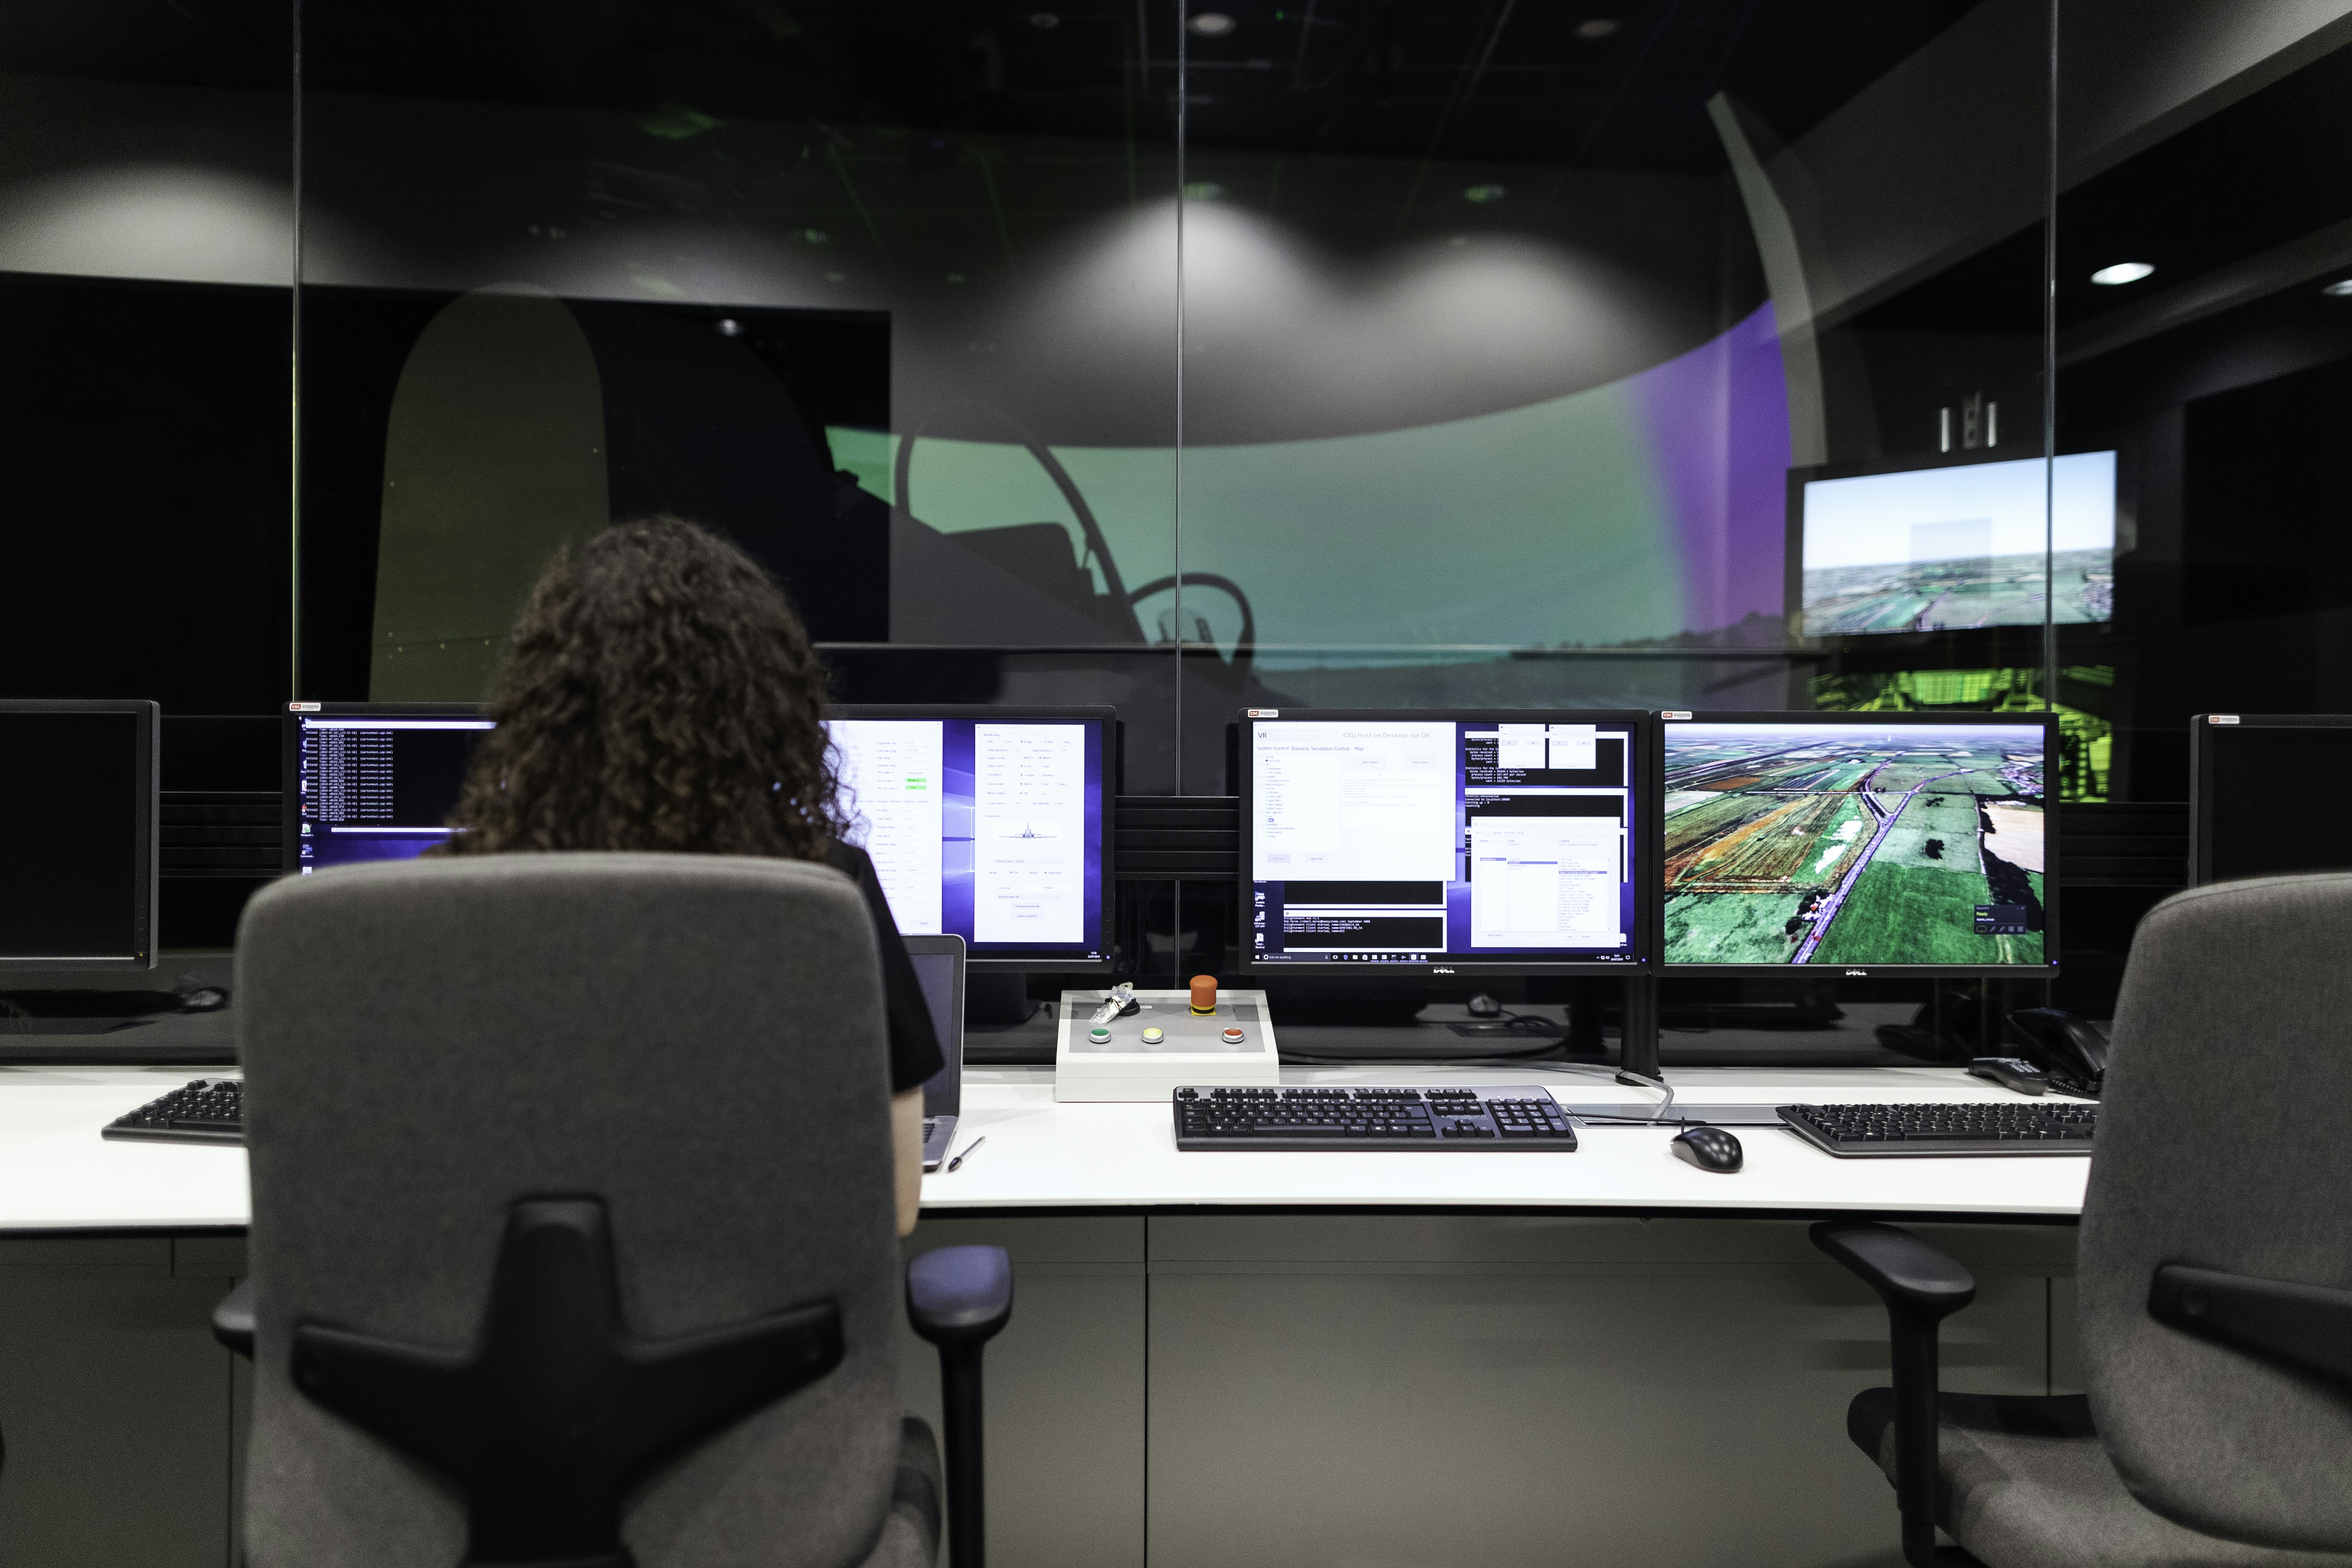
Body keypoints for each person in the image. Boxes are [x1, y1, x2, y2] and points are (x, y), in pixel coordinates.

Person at [438, 515, 943, 1234]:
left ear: (540, 701)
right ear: (762, 705)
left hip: (498, 1338)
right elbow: (891, 1208)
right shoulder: (823, 896)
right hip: (755, 1339)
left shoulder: (434, 906)